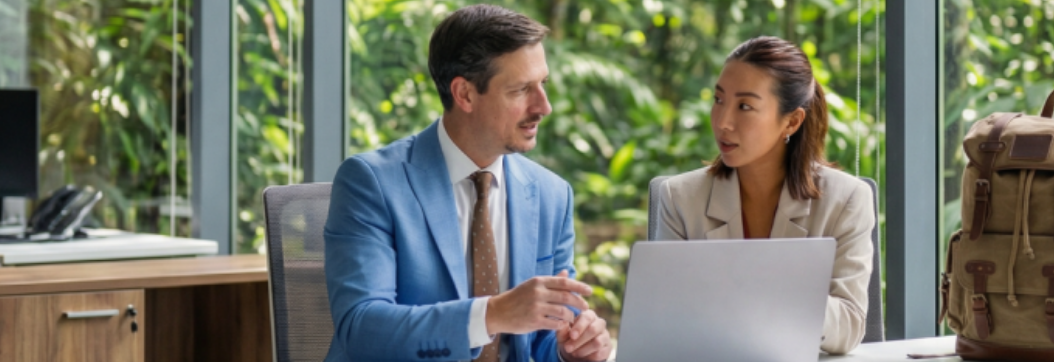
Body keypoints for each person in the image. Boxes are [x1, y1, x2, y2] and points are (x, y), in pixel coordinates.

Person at [323, 5, 612, 362]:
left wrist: (573, 349)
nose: (544, 106)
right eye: (522, 89)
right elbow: (362, 328)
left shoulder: (552, 195)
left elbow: (542, 342)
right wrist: (493, 314)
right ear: (465, 95)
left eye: (543, 85)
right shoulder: (371, 183)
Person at [650, 36, 875, 355]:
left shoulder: (847, 199)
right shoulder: (680, 197)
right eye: (718, 100)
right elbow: (665, 318)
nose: (723, 122)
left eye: (744, 106)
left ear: (792, 121)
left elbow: (849, 326)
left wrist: (756, 291)